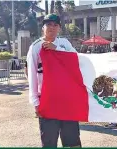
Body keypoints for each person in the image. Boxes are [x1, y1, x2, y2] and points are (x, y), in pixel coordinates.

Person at [26, 14, 81, 148]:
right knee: (49, 140)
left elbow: (76, 60)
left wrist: (57, 49)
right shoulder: (35, 47)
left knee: (72, 139)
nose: (52, 27)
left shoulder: (64, 43)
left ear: (59, 28)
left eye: (55, 25)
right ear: (43, 28)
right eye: (48, 24)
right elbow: (32, 75)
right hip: (47, 99)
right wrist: (35, 102)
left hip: (67, 98)